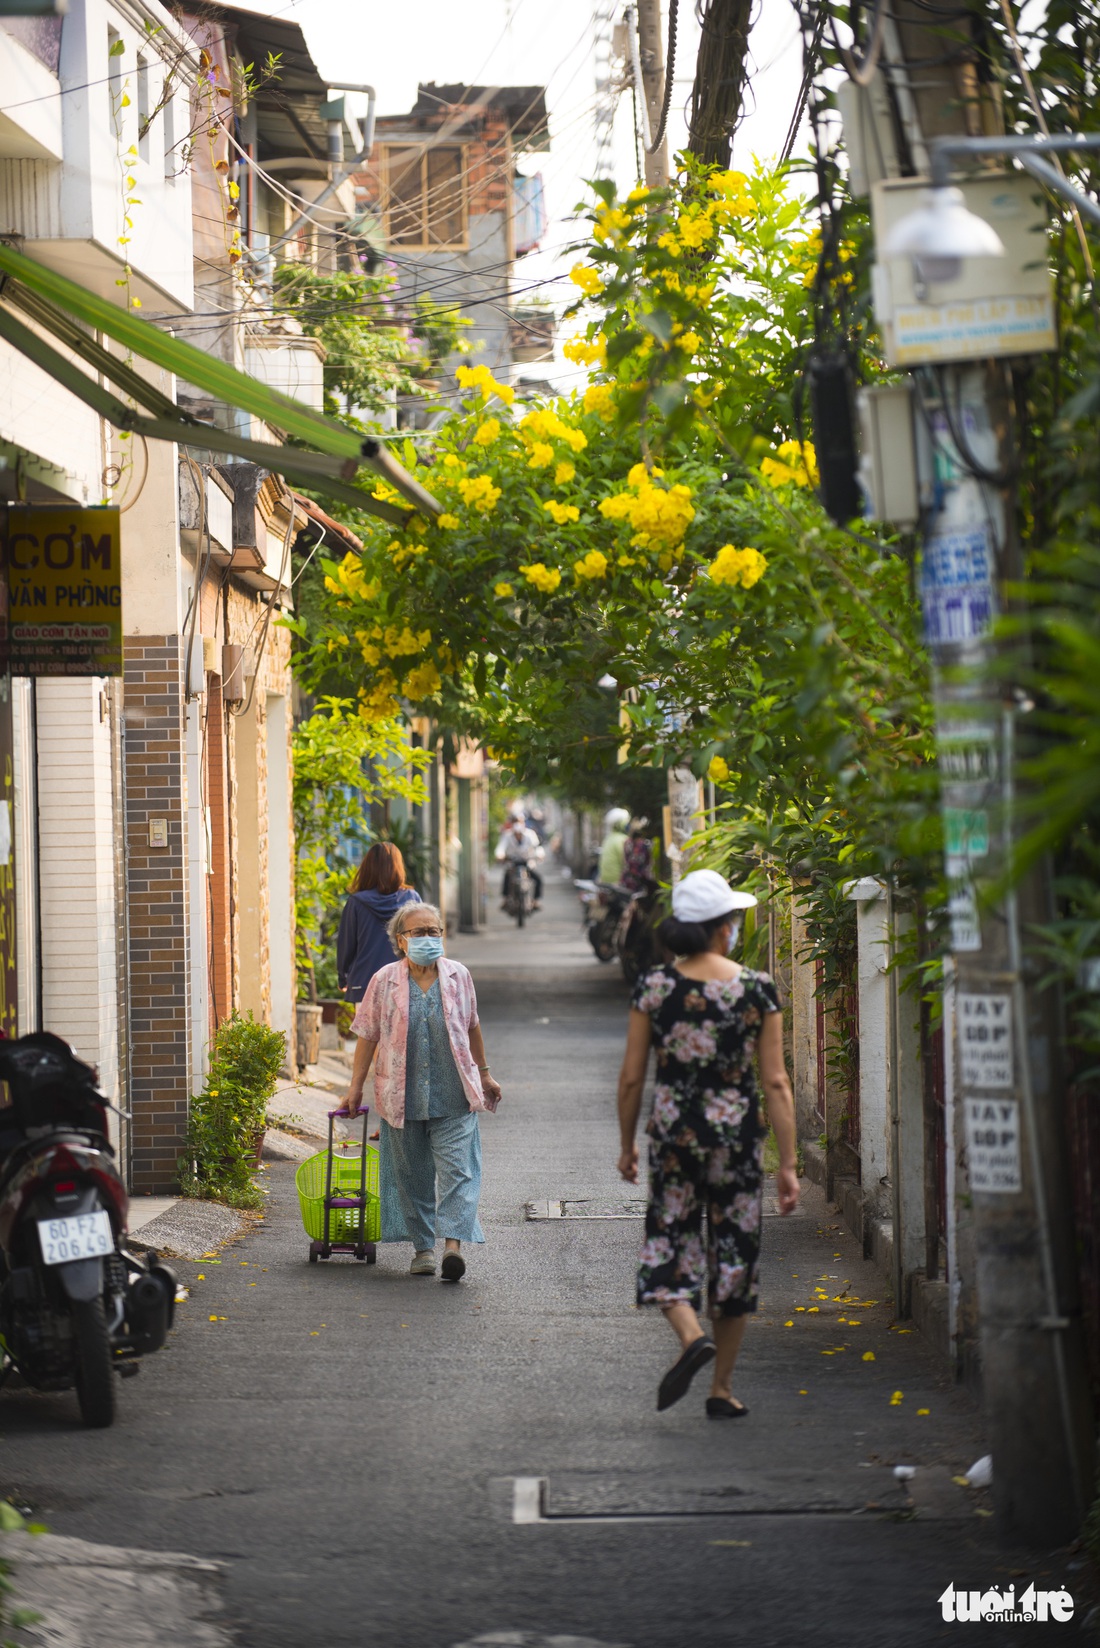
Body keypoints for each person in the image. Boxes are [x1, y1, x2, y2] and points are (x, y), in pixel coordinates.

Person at [616, 868, 799, 1416]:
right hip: (738, 1141)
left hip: (675, 1138)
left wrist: (626, 1145)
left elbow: (631, 1078)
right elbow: (776, 1082)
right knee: (734, 1254)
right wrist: (788, 1164)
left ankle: (691, 1335)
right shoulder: (756, 988)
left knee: (669, 1240)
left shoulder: (654, 987)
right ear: (723, 928)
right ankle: (721, 1390)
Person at [345, 902, 502, 1281]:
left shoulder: (458, 975)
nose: (429, 939)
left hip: (453, 1093)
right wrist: (355, 1088)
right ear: (401, 940)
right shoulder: (384, 980)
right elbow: (367, 1037)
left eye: (435, 931)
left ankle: (452, 1248)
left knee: (459, 1172)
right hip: (402, 1096)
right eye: (419, 933)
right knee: (411, 1175)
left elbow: (473, 1025)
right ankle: (423, 1250)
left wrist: (485, 1075)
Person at [336, 842, 421, 1005]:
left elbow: (346, 945)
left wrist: (343, 977)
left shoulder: (356, 903)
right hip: (405, 984)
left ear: (367, 867)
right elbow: (421, 941)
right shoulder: (412, 899)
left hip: (365, 983)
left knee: (368, 1032)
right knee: (402, 1031)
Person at [495, 814, 544, 908]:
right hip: (512, 863)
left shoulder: (530, 834)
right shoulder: (507, 835)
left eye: (519, 821)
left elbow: (537, 847)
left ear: (523, 823)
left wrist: (540, 855)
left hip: (527, 862)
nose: (517, 824)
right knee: (507, 877)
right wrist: (500, 855)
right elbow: (500, 847)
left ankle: (535, 901)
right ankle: (505, 899)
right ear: (512, 823)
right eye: (515, 821)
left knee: (538, 879)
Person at [620, 818, 655, 893]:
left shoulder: (627, 843)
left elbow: (625, 860)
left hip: (629, 879)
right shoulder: (645, 845)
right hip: (641, 879)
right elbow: (649, 861)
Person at [598, 807, 630, 885]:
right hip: (618, 883)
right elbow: (626, 862)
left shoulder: (608, 838)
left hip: (605, 882)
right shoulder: (623, 839)